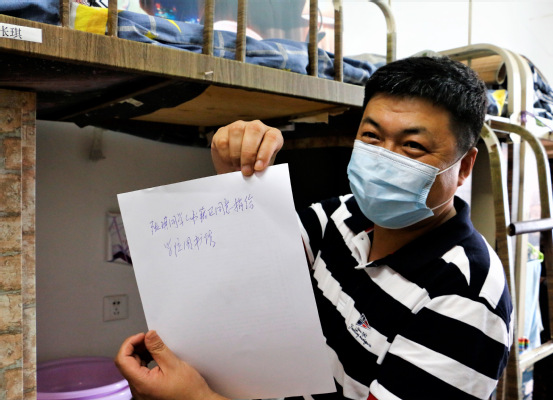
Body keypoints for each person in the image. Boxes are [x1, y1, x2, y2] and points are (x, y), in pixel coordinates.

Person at [115, 56, 513, 400]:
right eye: (371, 136)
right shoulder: (340, 215)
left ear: (464, 166)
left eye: (412, 146)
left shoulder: (467, 298)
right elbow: (250, 276)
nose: (384, 159)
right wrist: (236, 178)